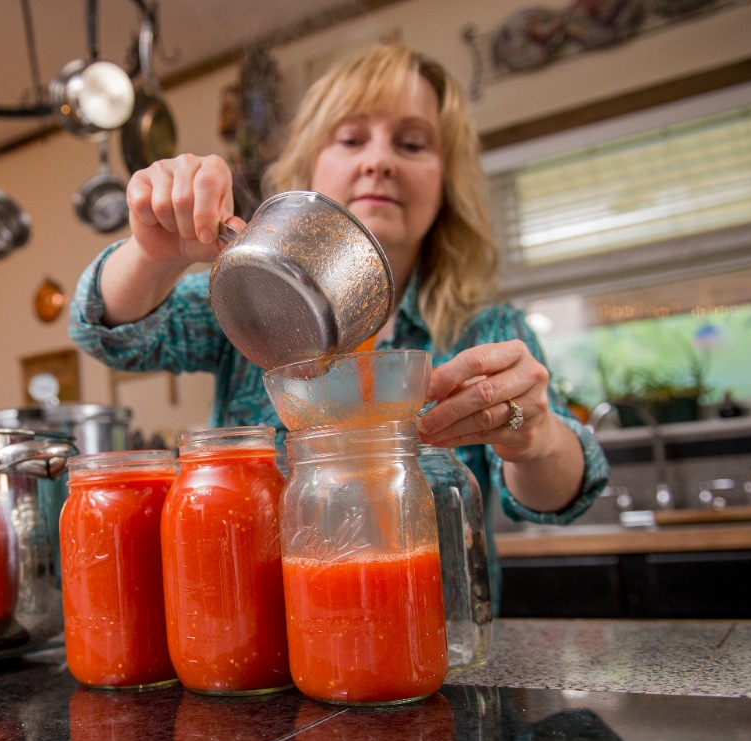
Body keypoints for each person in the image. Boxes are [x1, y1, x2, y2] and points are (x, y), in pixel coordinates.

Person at [69, 42, 608, 610]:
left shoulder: (484, 329)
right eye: (351, 140)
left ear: (447, 180)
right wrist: (153, 253)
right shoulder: (253, 297)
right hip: (271, 638)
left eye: (412, 143)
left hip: (435, 640)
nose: (379, 161)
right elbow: (113, 335)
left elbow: (558, 498)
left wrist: (537, 438)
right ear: (310, 166)